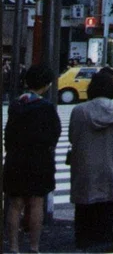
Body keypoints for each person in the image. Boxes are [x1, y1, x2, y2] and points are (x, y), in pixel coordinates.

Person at [70, 71, 113, 250]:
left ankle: (84, 241)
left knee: (85, 209)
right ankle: (107, 241)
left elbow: (72, 137)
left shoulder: (79, 110)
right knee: (108, 211)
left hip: (85, 167)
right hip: (112, 164)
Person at [3, 65, 61, 254]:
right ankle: (34, 247)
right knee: (36, 203)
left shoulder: (16, 104)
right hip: (39, 159)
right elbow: (54, 133)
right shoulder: (47, 107)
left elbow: (9, 133)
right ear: (46, 84)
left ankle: (13, 247)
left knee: (14, 204)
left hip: (15, 158)